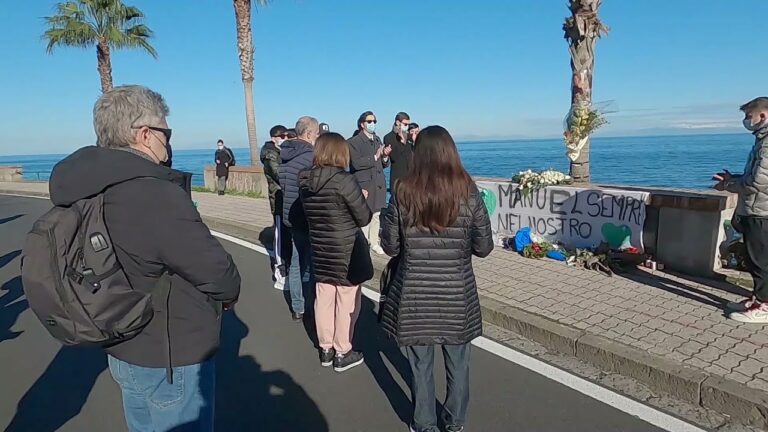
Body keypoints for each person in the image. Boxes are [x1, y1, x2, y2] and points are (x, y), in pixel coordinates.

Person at [48, 85, 241, 431]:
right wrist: (230, 292)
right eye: (166, 133)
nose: (168, 142)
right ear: (144, 134)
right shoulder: (151, 192)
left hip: (122, 343)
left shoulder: (86, 186)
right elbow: (214, 268)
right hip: (170, 354)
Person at [379, 126, 493, 432]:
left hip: (416, 294)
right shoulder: (468, 191)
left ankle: (424, 424)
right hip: (457, 295)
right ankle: (454, 422)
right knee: (459, 364)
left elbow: (389, 246)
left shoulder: (403, 191)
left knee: (420, 366)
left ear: (419, 154)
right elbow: (484, 248)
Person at [299, 132, 373, 372]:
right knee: (347, 300)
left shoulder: (305, 180)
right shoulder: (345, 180)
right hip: (346, 250)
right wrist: (362, 198)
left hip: (320, 248)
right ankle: (343, 351)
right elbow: (363, 217)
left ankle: (326, 348)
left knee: (324, 297)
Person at [717, 97, 768, 323]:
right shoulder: (762, 141)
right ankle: (758, 298)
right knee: (753, 257)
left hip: (761, 212)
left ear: (763, 116)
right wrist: (734, 178)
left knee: (760, 260)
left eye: (749, 116)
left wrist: (728, 185)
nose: (746, 121)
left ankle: (764, 306)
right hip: (755, 209)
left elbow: (757, 183)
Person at [279, 116, 320, 321]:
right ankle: (312, 303)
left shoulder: (285, 155)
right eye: (317, 132)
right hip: (309, 217)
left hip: (290, 217)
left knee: (295, 263)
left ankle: (298, 307)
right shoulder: (311, 156)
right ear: (309, 133)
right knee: (312, 263)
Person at [347, 111, 391, 255]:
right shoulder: (353, 142)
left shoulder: (377, 139)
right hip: (364, 184)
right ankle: (363, 243)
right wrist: (375, 156)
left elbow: (383, 164)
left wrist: (384, 157)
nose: (373, 124)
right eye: (370, 121)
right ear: (362, 124)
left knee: (377, 214)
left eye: (374, 121)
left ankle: (374, 242)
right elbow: (356, 163)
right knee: (364, 215)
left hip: (378, 183)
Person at [261, 125, 288, 289]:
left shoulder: (280, 152)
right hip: (278, 199)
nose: (285, 138)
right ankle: (280, 272)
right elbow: (279, 175)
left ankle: (285, 268)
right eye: (282, 136)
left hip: (286, 198)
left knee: (285, 237)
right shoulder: (270, 154)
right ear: (274, 138)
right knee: (280, 237)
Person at [383, 112, 413, 193]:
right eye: (405, 124)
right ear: (398, 122)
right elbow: (395, 157)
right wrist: (402, 142)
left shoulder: (409, 137)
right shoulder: (388, 137)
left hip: (411, 179)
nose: (407, 127)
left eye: (408, 125)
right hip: (398, 180)